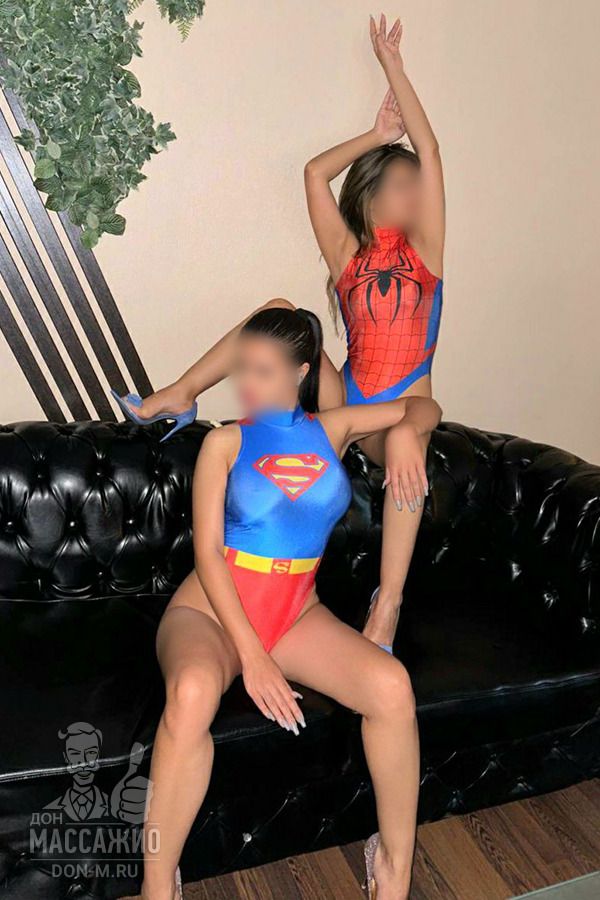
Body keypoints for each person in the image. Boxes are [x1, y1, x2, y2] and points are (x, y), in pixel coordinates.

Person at [113, 14, 444, 657]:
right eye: (400, 184)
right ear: (371, 196)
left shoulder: (427, 254)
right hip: (346, 394)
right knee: (277, 308)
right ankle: (182, 391)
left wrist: (394, 69)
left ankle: (387, 605)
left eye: (416, 186)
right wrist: (377, 135)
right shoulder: (347, 257)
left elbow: (431, 152)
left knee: (408, 433)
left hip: (402, 408)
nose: (414, 192)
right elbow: (315, 174)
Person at [141, 306, 441, 900]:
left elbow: (423, 406)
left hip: (296, 612)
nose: (246, 385)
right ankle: (158, 882)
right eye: (242, 370)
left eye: (263, 372)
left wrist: (408, 433)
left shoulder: (334, 428)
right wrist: (252, 658)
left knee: (392, 688)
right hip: (211, 612)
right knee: (193, 694)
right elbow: (208, 555)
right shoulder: (225, 441)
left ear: (301, 372)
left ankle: (393, 868)